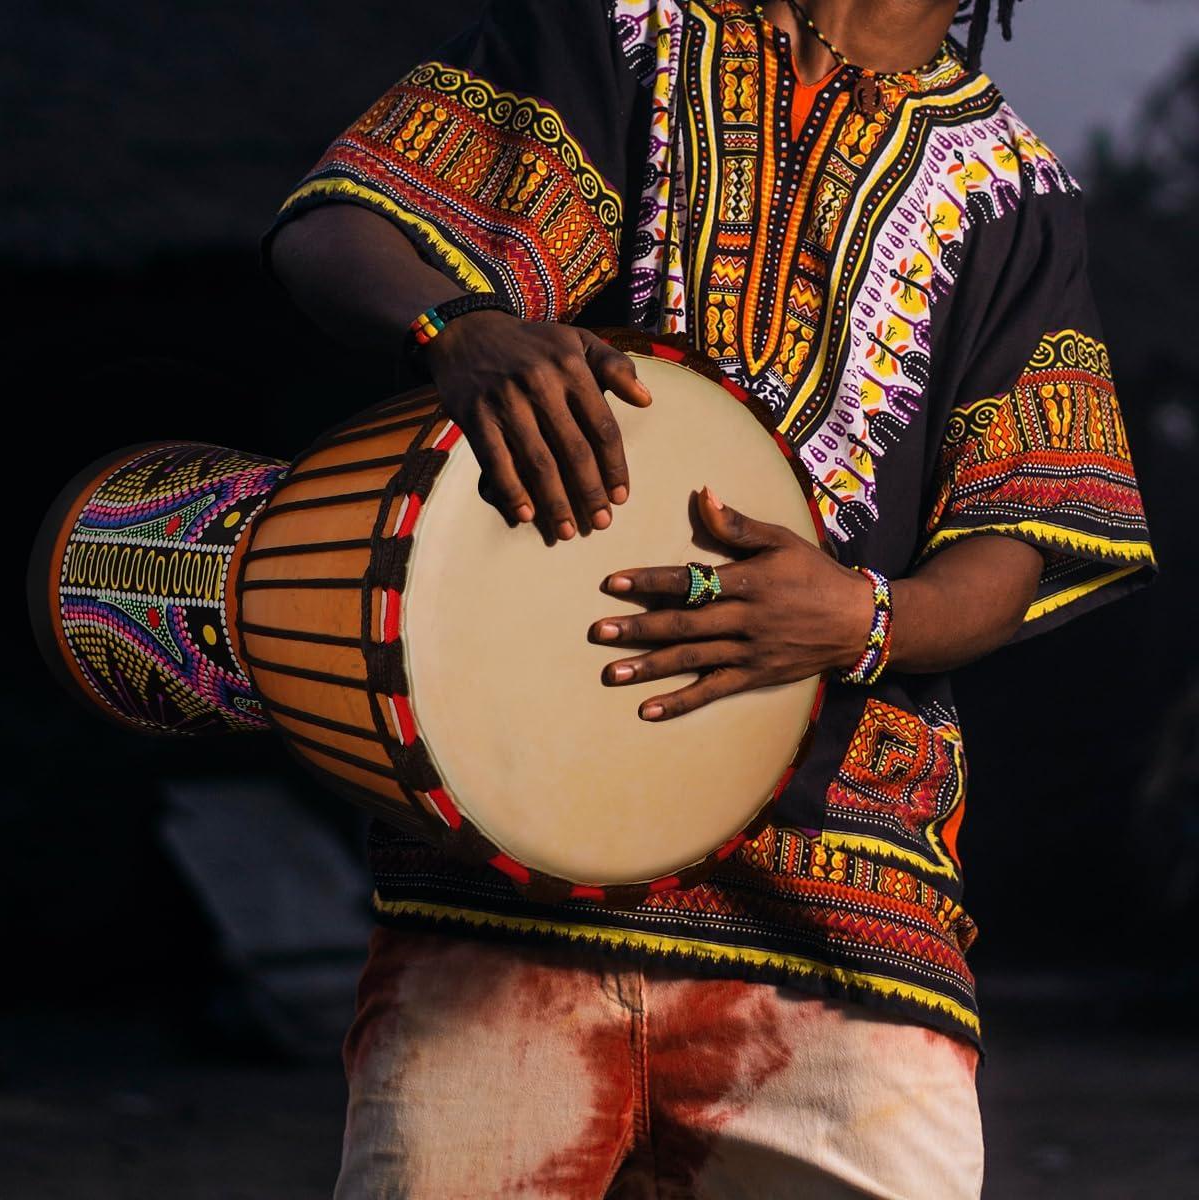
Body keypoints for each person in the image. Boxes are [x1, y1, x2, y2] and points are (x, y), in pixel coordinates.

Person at [265, 1, 1156, 1196]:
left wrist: (861, 619)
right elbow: (334, 232)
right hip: (501, 894)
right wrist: (460, 325)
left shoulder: (1015, 191)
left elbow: (1017, 542)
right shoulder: (611, 33)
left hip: (838, 926)